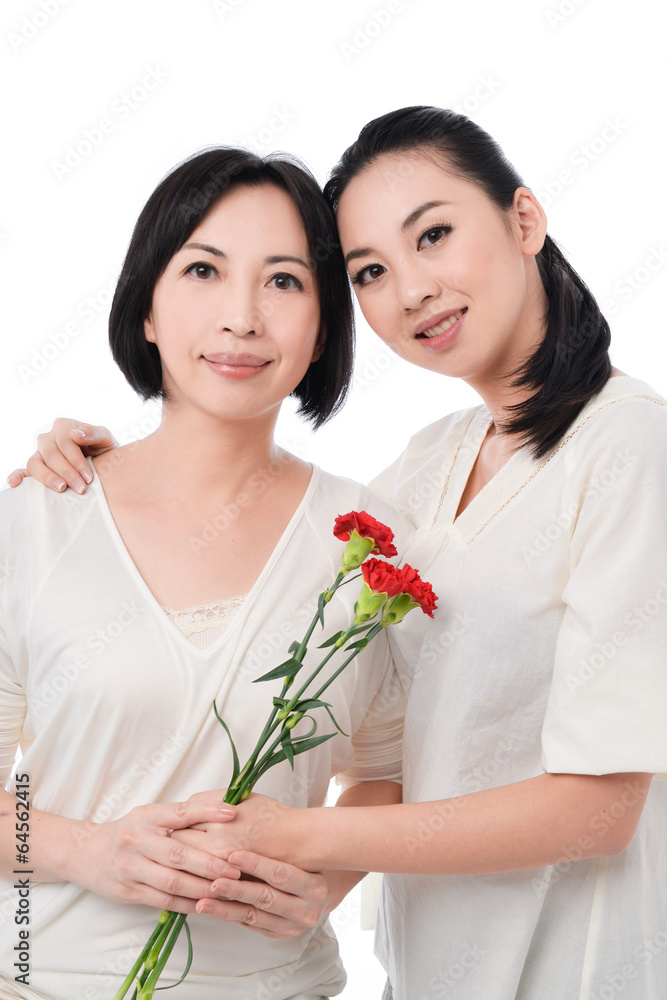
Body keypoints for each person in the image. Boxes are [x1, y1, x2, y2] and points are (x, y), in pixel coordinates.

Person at [10, 107, 667, 1000]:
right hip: (419, 969)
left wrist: (301, 849)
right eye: (371, 270)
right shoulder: (424, 470)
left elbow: (590, 804)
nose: (412, 289)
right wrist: (84, 849)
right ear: (146, 305)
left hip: (571, 966)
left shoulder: (624, 446)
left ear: (523, 221)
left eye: (434, 234)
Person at [0, 146, 412, 1000]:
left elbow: (390, 770)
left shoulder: (370, 546)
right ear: (145, 308)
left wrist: (323, 886)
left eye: (284, 282)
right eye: (202, 270)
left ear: (325, 325)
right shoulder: (38, 520)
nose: (241, 318)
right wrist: (84, 849)